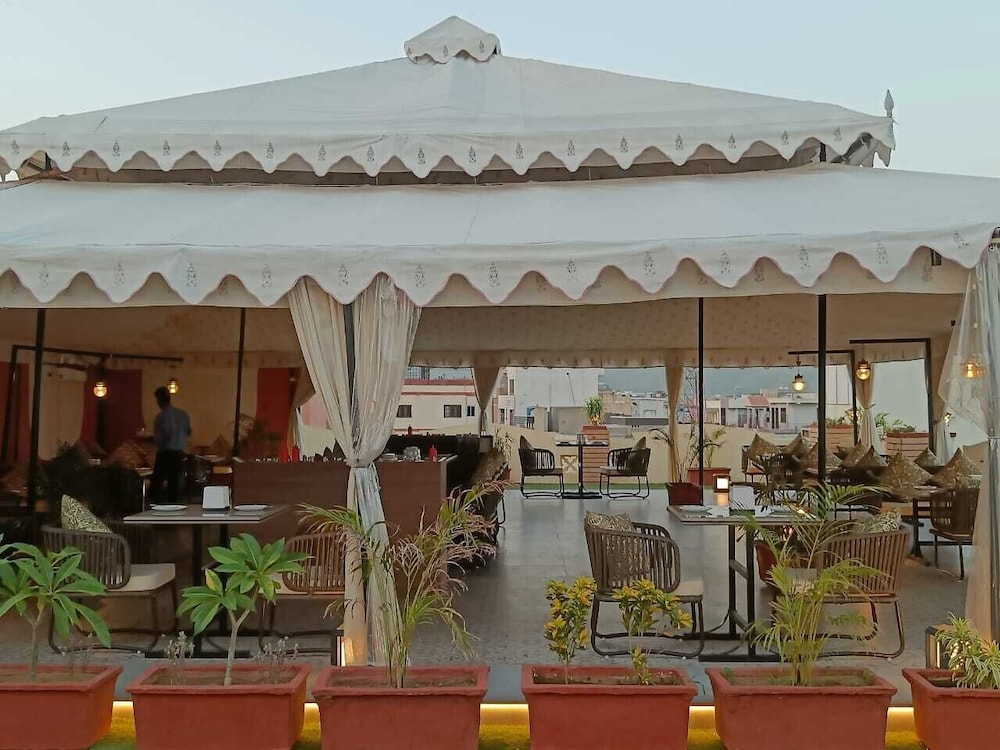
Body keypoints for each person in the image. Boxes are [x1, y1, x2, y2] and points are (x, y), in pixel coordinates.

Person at [150, 386, 192, 505]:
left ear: (159, 400)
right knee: (174, 485)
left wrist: (153, 440)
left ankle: (155, 508)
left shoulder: (161, 417)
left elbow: (163, 438)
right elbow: (189, 432)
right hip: (179, 453)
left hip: (166, 453)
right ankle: (173, 508)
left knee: (156, 485)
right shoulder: (183, 414)